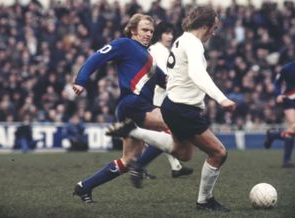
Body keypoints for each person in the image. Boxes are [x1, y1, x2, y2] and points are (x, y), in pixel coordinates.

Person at [106, 6, 236, 212]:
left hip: (172, 106)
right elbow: (196, 73)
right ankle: (204, 201)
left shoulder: (181, 39)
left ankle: (134, 131)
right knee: (219, 153)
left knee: (183, 153)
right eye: (214, 27)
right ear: (205, 25)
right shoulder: (193, 44)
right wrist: (222, 99)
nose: (214, 32)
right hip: (184, 109)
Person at [72, 13, 170, 203]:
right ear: (133, 30)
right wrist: (81, 80)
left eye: (151, 31)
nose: (149, 34)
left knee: (126, 161)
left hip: (134, 108)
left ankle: (84, 186)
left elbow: (164, 81)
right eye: (144, 30)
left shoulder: (148, 56)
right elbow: (96, 58)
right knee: (174, 127)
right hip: (134, 104)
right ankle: (140, 165)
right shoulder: (124, 44)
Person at [143, 21, 193, 178]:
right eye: (166, 33)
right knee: (167, 135)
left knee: (163, 135)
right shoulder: (160, 51)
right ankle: (138, 165)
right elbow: (164, 78)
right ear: (159, 34)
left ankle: (175, 167)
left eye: (172, 33)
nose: (170, 36)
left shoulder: (160, 50)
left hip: (156, 97)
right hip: (158, 98)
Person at [264, 43, 295, 168]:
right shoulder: (287, 68)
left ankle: (273, 135)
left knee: (293, 131)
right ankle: (286, 161)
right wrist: (279, 94)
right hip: (289, 99)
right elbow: (277, 83)